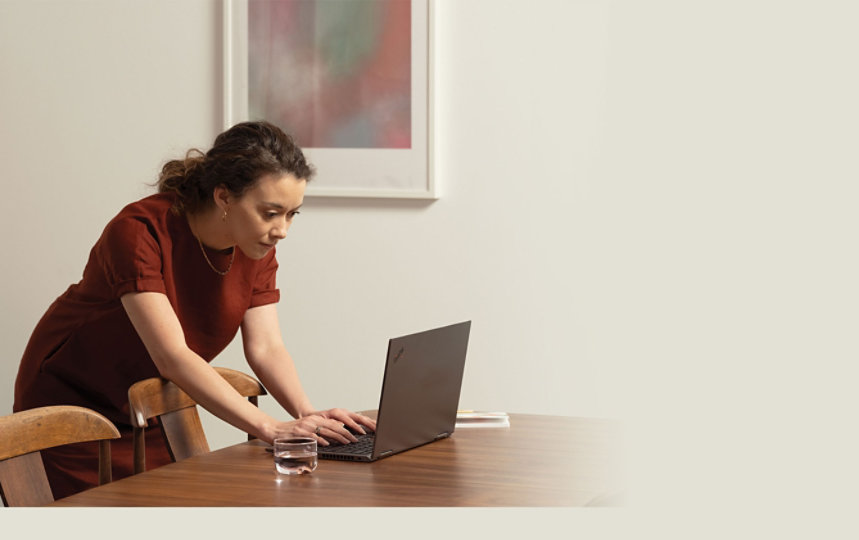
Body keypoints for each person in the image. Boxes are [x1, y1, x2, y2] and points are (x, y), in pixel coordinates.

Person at [13, 121, 375, 499]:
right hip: (72, 411)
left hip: (148, 410)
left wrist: (307, 414)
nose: (282, 229)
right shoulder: (139, 232)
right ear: (224, 197)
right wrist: (269, 427)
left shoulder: (255, 246)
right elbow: (172, 356)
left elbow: (266, 347)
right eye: (270, 213)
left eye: (291, 214)